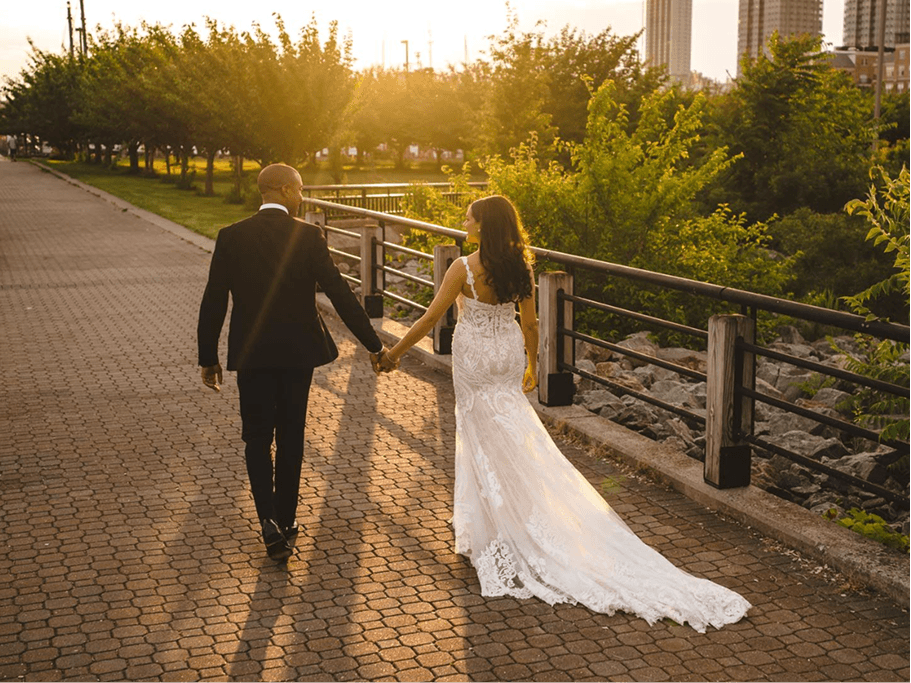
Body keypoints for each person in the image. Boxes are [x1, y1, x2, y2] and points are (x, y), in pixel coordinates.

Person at [376, 195, 751, 632]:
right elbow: (531, 324)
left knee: (480, 435)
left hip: (476, 358)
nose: (464, 221)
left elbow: (429, 319)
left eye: (470, 217)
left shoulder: (463, 267)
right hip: (507, 354)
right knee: (514, 430)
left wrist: (393, 353)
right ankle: (510, 514)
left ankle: (496, 528)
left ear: (484, 225)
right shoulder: (521, 265)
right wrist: (533, 365)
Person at [198, 163, 389, 562]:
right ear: (284, 190)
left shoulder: (231, 236)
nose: (302, 197)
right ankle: (285, 522)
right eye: (300, 190)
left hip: (250, 354)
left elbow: (214, 299)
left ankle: (266, 519)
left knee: (255, 437)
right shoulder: (308, 236)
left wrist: (208, 357)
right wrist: (374, 345)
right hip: (297, 353)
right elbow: (338, 293)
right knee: (290, 437)